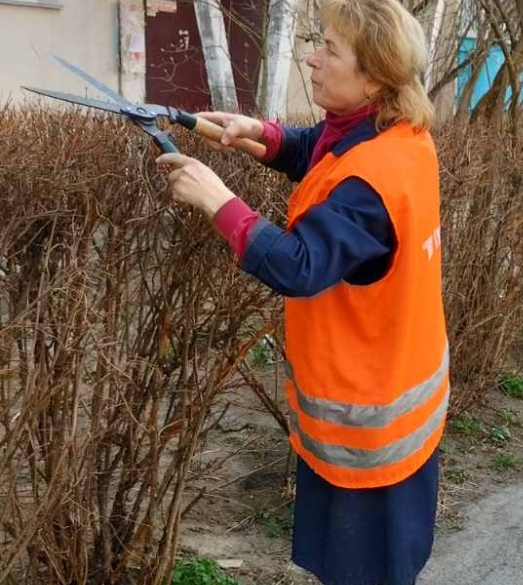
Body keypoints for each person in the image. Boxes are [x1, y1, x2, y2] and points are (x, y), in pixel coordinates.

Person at [156, 0, 448, 583]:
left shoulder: (372, 180)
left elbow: (298, 265)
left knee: (365, 572)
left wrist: (218, 200)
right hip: (401, 394)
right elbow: (323, 150)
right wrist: (257, 135)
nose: (311, 59)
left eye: (330, 49)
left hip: (369, 430)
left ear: (373, 75)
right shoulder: (398, 134)